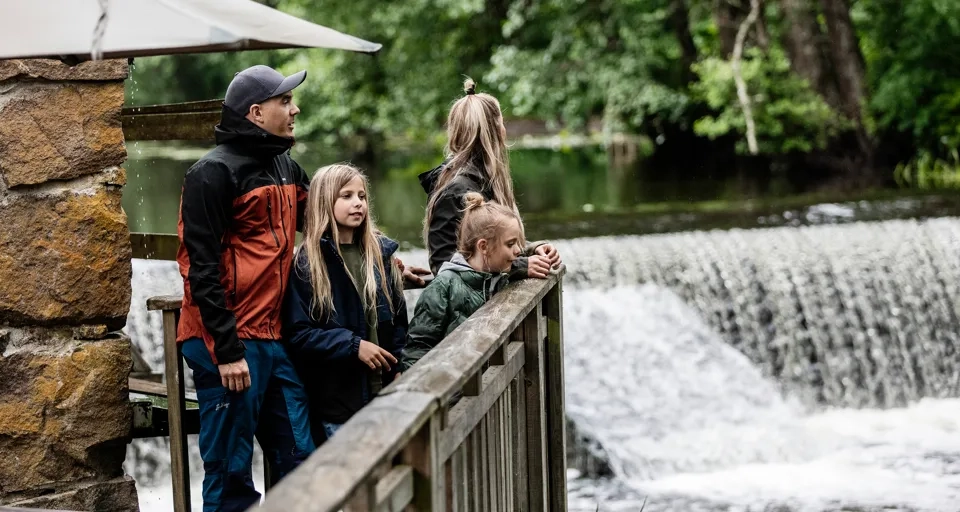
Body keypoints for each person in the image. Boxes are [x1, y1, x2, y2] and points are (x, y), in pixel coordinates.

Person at [175, 65, 315, 512]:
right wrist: (228, 350)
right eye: (284, 101)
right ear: (256, 112)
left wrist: (387, 264)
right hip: (225, 341)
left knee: (302, 460)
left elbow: (325, 228)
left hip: (272, 338)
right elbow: (199, 270)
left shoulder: (285, 166)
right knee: (231, 473)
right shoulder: (210, 174)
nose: (295, 109)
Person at [282, 164, 408, 445]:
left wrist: (401, 366)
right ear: (325, 202)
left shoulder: (380, 255)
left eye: (362, 196)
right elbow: (298, 334)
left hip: (387, 395)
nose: (358, 203)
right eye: (346, 196)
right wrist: (353, 346)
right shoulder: (308, 264)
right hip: (340, 403)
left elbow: (398, 321)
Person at [420, 78, 561, 278]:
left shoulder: (485, 180)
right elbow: (444, 266)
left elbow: (490, 243)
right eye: (501, 123)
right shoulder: (456, 190)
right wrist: (519, 266)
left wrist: (532, 250)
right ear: (494, 132)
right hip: (475, 310)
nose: (505, 131)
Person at [401, 192, 523, 371]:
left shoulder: (499, 278)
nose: (519, 250)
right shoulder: (443, 287)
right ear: (483, 246)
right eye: (511, 244)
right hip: (453, 391)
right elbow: (417, 347)